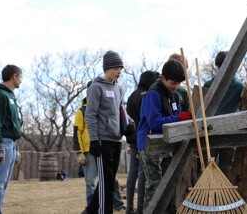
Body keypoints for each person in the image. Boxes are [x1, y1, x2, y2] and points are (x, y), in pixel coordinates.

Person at [82, 50, 134, 214]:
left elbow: (121, 111)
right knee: (106, 184)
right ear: (108, 68)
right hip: (102, 141)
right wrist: (94, 140)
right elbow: (89, 115)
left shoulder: (119, 89)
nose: (119, 71)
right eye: (117, 68)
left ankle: (89, 211)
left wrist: (130, 124)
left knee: (109, 181)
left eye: (121, 68)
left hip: (117, 140)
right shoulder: (96, 88)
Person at [137, 60, 192, 212]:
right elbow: (154, 122)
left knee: (169, 185)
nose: (176, 87)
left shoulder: (174, 96)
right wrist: (178, 118)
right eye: (173, 82)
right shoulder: (153, 94)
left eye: (179, 83)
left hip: (167, 145)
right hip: (150, 145)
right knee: (155, 186)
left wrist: (183, 118)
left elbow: (177, 114)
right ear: (162, 78)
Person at [202, 51, 244, 176]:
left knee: (208, 164)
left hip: (210, 131)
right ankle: (222, 194)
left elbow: (201, 108)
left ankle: (209, 193)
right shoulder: (239, 87)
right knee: (226, 166)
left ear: (217, 66)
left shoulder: (208, 85)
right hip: (230, 129)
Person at [126, 71, 159, 214]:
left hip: (132, 137)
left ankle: (129, 208)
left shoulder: (131, 96)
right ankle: (140, 208)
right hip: (144, 137)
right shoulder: (146, 95)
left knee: (132, 173)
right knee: (142, 173)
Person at [0, 65, 23, 214]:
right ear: (14, 77)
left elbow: (12, 123)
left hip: (11, 144)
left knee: (4, 182)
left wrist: (16, 147)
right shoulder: (1, 94)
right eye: (20, 77)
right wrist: (0, 146)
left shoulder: (11, 96)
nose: (21, 80)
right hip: (3, 143)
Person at [74, 81, 97, 205]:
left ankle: (117, 204)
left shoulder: (103, 108)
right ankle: (92, 208)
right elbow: (77, 131)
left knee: (109, 180)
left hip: (104, 149)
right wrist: (79, 152)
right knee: (90, 182)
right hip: (89, 151)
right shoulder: (81, 111)